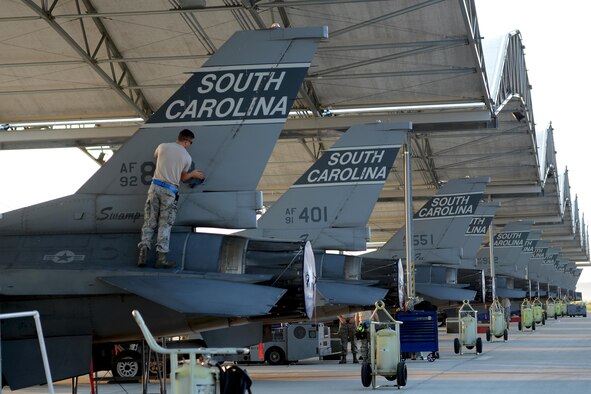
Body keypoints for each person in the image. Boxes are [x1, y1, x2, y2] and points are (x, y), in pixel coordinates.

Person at [137, 129, 205, 268]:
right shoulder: (187, 157)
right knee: (165, 224)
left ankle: (143, 254)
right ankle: (161, 258)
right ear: (186, 141)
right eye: (190, 143)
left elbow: (156, 156)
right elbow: (183, 177)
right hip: (169, 191)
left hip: (154, 187)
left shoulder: (162, 146)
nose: (189, 145)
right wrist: (193, 174)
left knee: (149, 221)